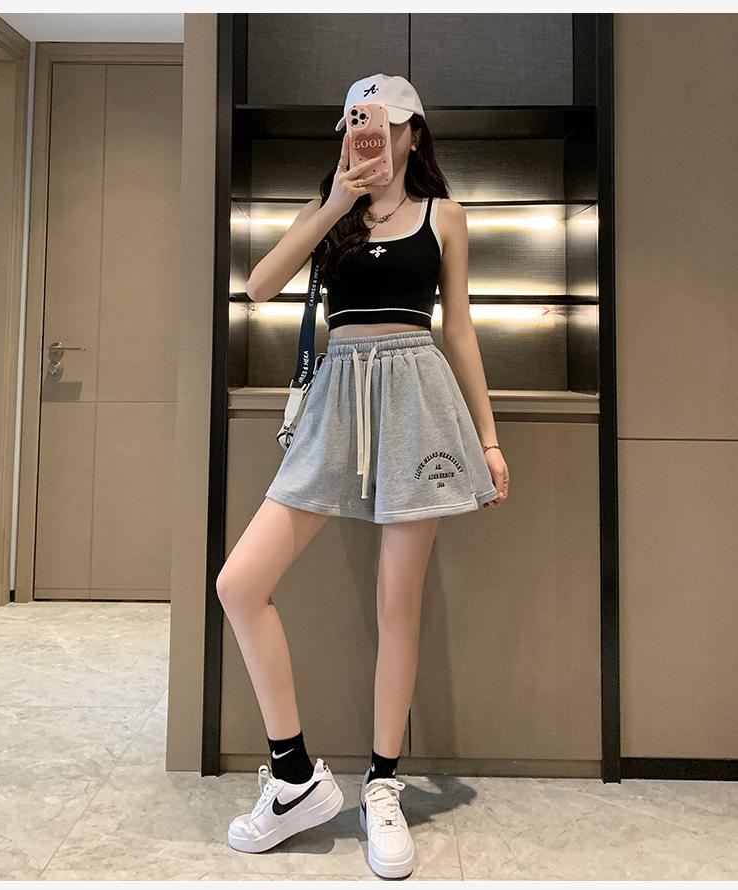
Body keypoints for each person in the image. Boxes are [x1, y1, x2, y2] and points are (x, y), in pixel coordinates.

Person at [216, 73, 509, 879]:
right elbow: (259, 285)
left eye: (387, 123)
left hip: (417, 400)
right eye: (358, 123)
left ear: (414, 132)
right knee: (240, 583)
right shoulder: (331, 207)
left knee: (397, 605)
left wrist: (488, 440)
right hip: (336, 399)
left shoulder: (445, 215)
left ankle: (383, 785)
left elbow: (460, 330)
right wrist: (338, 202)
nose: (372, 135)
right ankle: (293, 777)